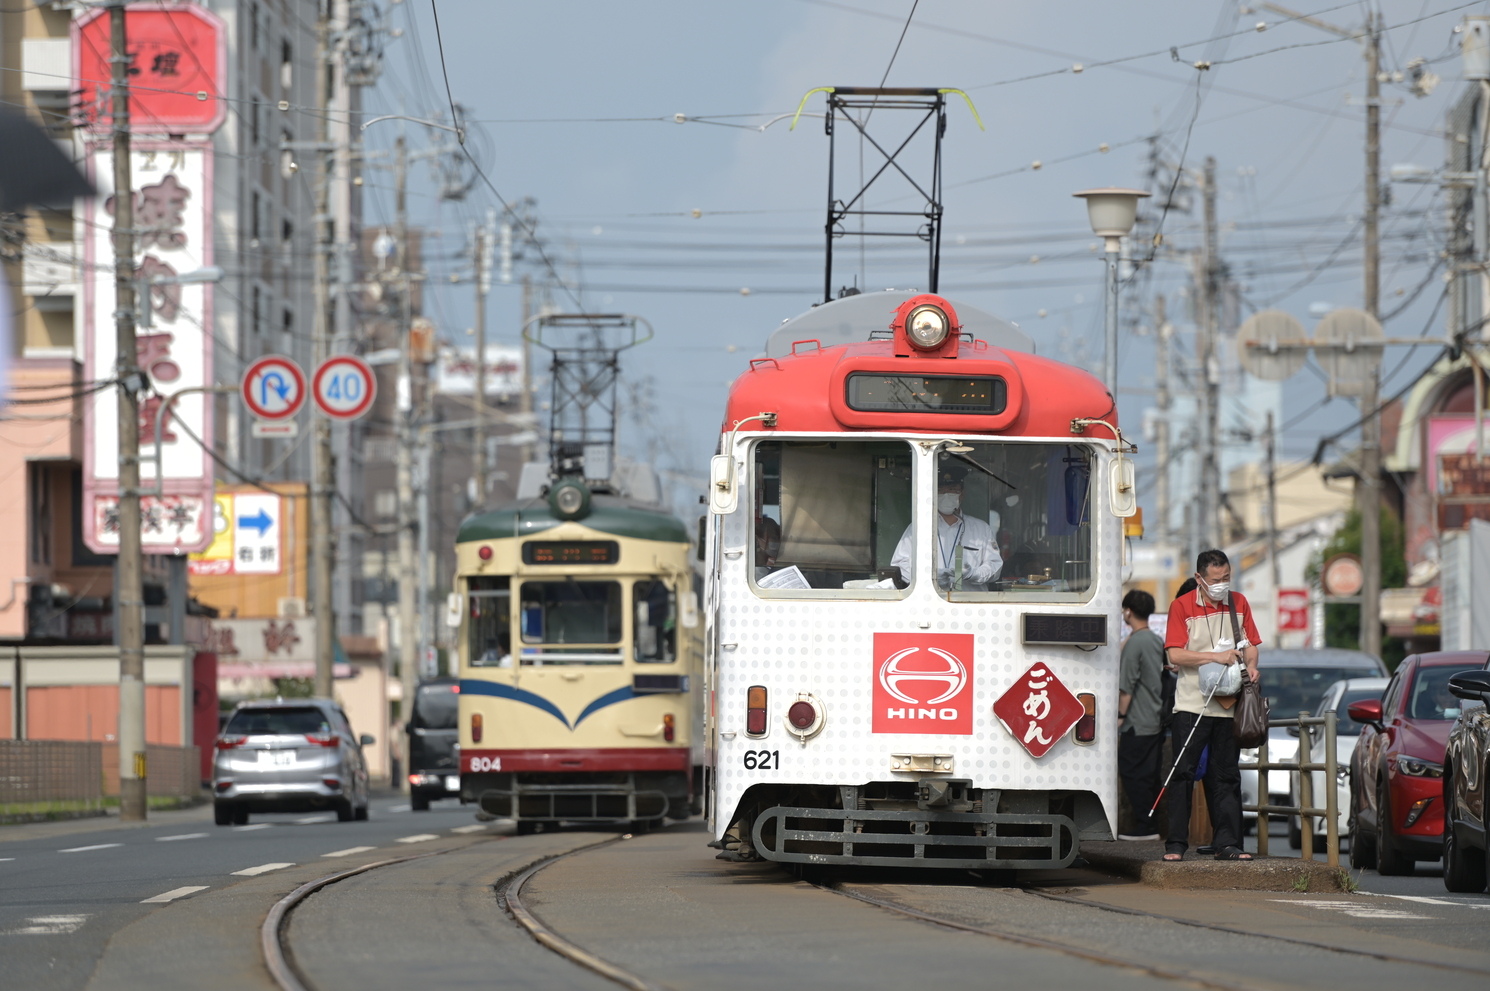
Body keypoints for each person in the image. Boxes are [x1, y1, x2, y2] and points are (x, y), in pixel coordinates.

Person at [1161, 548, 1261, 862]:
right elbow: (1175, 654)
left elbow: (1251, 645)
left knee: (1227, 775)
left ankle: (1228, 844)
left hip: (1229, 704)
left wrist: (1252, 666)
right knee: (1182, 772)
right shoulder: (1181, 606)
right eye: (1216, 580)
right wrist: (1214, 657)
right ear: (1199, 578)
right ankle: (1176, 844)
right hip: (1192, 704)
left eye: (1226, 578)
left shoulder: (1239, 603)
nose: (1222, 585)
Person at [890, 464, 1003, 590]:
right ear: (933, 494)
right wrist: (929, 577)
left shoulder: (981, 529)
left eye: (952, 489)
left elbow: (994, 565)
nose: (946, 494)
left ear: (962, 493)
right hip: (930, 598)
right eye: (940, 490)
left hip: (969, 599)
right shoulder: (918, 528)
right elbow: (900, 564)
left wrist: (974, 574)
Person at [1117, 589, 1165, 841]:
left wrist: (1120, 715)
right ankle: (1151, 824)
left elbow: (1126, 686)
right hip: (1155, 718)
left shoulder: (1135, 643)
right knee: (1149, 775)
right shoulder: (1154, 640)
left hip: (1136, 721)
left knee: (1131, 772)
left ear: (1128, 611)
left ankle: (1145, 826)